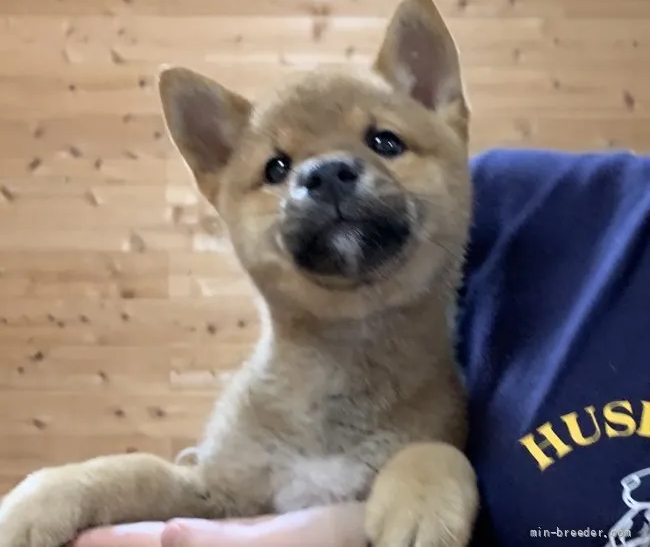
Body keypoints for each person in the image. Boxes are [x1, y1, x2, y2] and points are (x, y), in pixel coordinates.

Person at [74, 148, 650, 547]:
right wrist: (339, 526)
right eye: (277, 167)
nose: (324, 174)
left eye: (383, 142)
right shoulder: (527, 206)